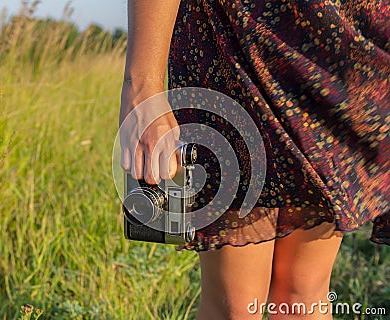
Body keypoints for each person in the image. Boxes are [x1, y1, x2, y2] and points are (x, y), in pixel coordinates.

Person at [119, 0, 390, 319]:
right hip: (230, 38)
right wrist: (142, 86)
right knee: (235, 303)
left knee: (302, 293)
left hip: (339, 47)